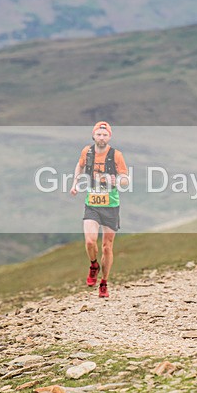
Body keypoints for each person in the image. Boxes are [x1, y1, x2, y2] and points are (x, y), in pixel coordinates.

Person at [70, 122, 129, 298]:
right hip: (92, 204)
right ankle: (93, 265)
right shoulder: (87, 152)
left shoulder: (116, 155)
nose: (101, 137)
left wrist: (116, 181)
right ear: (93, 135)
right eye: (99, 134)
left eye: (105, 135)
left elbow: (126, 179)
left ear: (109, 137)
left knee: (107, 247)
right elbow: (80, 165)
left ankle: (104, 282)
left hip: (111, 205)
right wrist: (75, 183)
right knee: (90, 241)